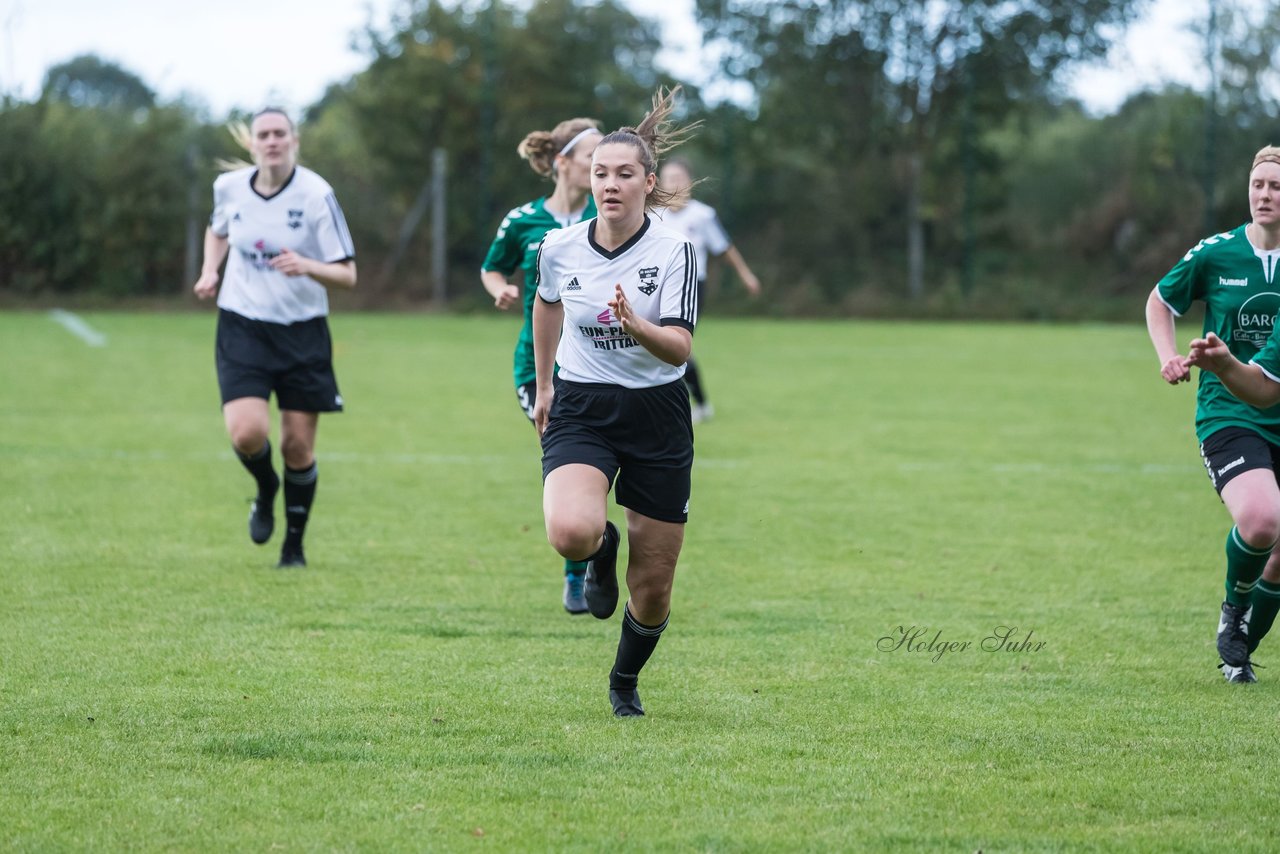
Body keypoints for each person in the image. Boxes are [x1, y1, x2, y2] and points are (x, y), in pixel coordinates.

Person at [532, 86, 699, 717]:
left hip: (657, 413)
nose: (609, 184)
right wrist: (546, 383)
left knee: (652, 588)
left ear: (647, 182)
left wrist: (640, 329)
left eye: (624, 174)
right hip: (582, 404)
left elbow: (679, 349)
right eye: (600, 172)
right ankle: (599, 552)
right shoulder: (559, 247)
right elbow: (546, 303)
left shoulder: (674, 250)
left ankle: (624, 679)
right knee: (570, 531)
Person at [192, 107, 356, 568]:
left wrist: (307, 265)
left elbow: (347, 275)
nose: (272, 141)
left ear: (294, 140)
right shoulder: (230, 188)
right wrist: (210, 270)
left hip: (302, 331)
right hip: (242, 323)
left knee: (297, 447)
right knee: (247, 433)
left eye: (280, 133)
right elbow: (218, 228)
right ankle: (266, 488)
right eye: (263, 134)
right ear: (252, 144)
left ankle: (294, 547)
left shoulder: (317, 194)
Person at [1146, 144, 1280, 683]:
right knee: (1262, 519)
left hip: (1260, 394)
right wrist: (1170, 357)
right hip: (1230, 416)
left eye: (1276, 188)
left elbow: (1266, 388)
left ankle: (1238, 649)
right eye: (1259, 186)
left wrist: (1223, 360)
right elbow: (1160, 300)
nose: (1266, 196)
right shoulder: (1216, 252)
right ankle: (1233, 607)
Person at [481, 117, 601, 614]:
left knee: (602, 464)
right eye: (592, 157)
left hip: (601, 364)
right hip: (539, 367)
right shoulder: (524, 219)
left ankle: (597, 543)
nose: (600, 168)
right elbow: (491, 266)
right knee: (565, 462)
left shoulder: (612, 215)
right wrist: (500, 289)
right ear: (562, 162)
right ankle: (578, 570)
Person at [655, 159, 760, 423]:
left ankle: (698, 405)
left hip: (690, 289)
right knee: (655, 347)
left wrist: (746, 275)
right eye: (668, 178)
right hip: (654, 288)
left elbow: (724, 248)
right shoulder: (651, 214)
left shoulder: (702, 215)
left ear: (690, 183)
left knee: (676, 347)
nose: (674, 183)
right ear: (657, 183)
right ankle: (684, 405)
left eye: (679, 177)